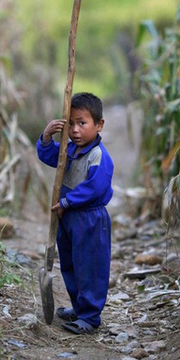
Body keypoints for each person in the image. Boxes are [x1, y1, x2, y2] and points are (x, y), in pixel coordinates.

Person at [37, 92, 114, 335]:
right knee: (71, 264)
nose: (75, 130)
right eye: (70, 123)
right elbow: (50, 157)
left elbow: (95, 188)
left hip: (89, 218)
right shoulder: (68, 151)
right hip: (68, 217)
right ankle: (79, 308)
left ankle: (90, 316)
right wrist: (47, 137)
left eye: (82, 123)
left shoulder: (98, 156)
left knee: (90, 266)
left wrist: (68, 202)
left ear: (98, 125)